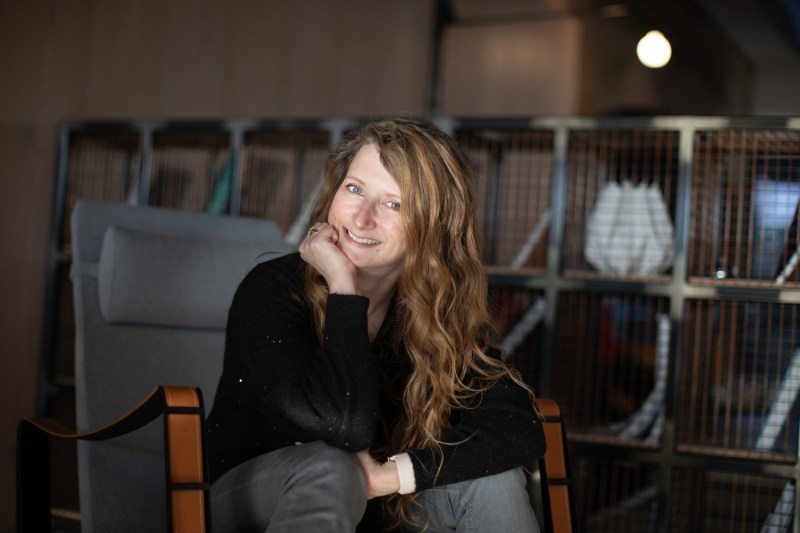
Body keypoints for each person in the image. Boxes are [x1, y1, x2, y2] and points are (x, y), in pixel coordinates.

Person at [206, 117, 546, 532]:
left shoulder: (434, 310)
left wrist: (391, 477)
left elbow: (518, 429)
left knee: (493, 479)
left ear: (434, 225)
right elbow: (345, 427)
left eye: (394, 204)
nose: (362, 219)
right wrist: (344, 288)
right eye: (354, 189)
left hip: (373, 506)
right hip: (248, 501)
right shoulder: (272, 291)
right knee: (331, 466)